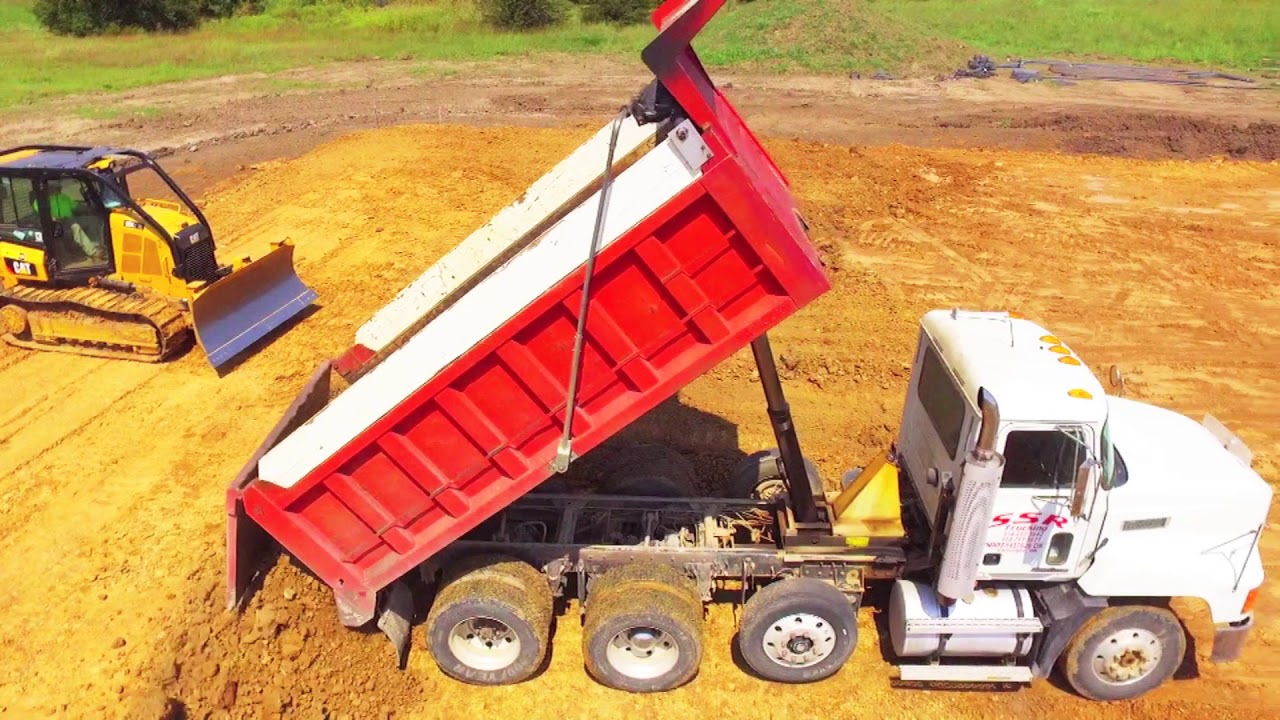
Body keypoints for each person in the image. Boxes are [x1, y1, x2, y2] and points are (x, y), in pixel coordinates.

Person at [34, 179, 104, 260]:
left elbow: (76, 206)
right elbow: (43, 214)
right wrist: (53, 218)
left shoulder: (63, 197)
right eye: (55, 187)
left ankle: (95, 245)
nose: (59, 189)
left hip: (71, 219)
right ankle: (93, 252)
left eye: (59, 187)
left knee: (92, 220)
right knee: (75, 226)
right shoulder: (40, 201)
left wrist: (90, 208)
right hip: (57, 224)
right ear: (48, 188)